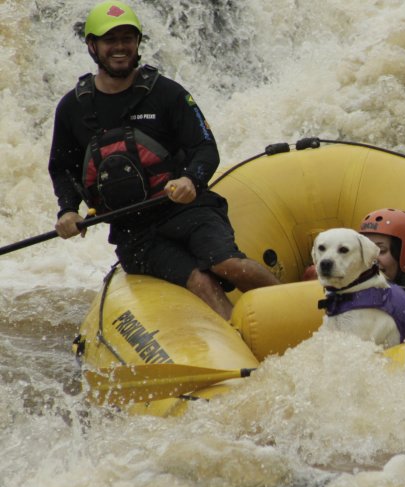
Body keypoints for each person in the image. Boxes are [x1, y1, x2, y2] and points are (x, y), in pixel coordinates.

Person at [48, 1, 279, 320]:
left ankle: (291, 309)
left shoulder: (167, 94)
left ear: (137, 43)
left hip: (188, 210)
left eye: (127, 39)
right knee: (200, 281)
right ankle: (247, 350)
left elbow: (205, 147)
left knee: (227, 264)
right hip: (134, 232)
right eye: (109, 40)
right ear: (92, 45)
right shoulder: (72, 108)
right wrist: (68, 210)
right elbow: (62, 169)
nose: (119, 47)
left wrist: (191, 180)